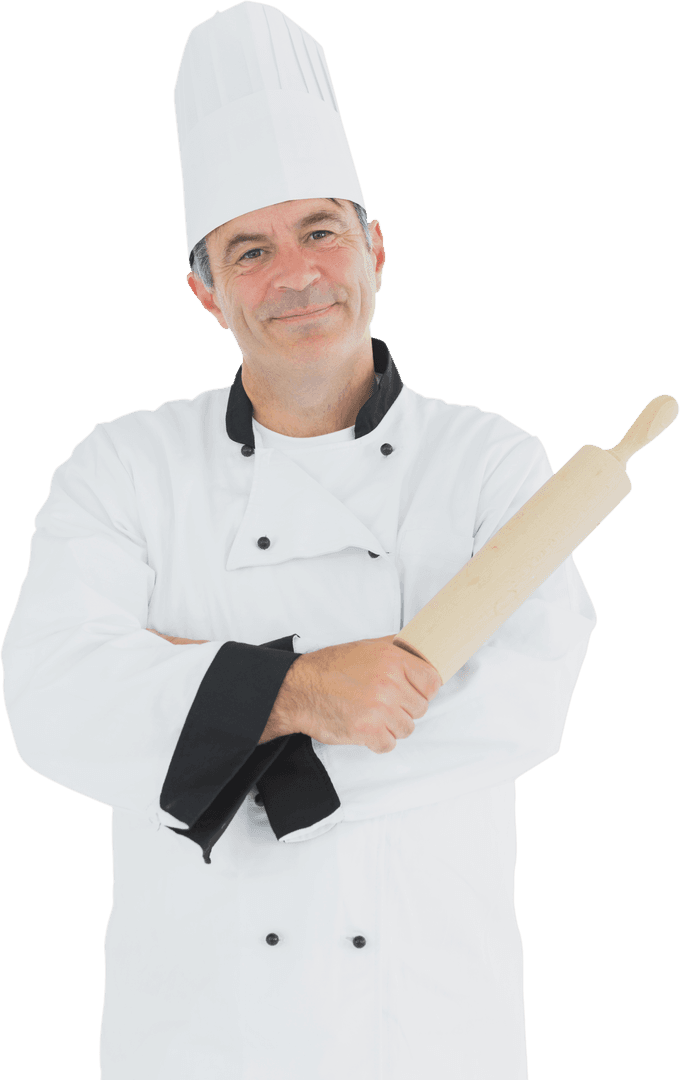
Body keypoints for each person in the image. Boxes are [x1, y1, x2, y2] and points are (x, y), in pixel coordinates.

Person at [1, 4, 598, 1078]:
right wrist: (299, 691)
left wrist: (205, 735)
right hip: (193, 1039)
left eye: (320, 230)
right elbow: (51, 699)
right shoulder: (123, 467)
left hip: (427, 1030)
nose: (295, 273)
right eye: (249, 249)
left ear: (373, 249)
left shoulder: (489, 463)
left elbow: (523, 698)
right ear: (206, 293)